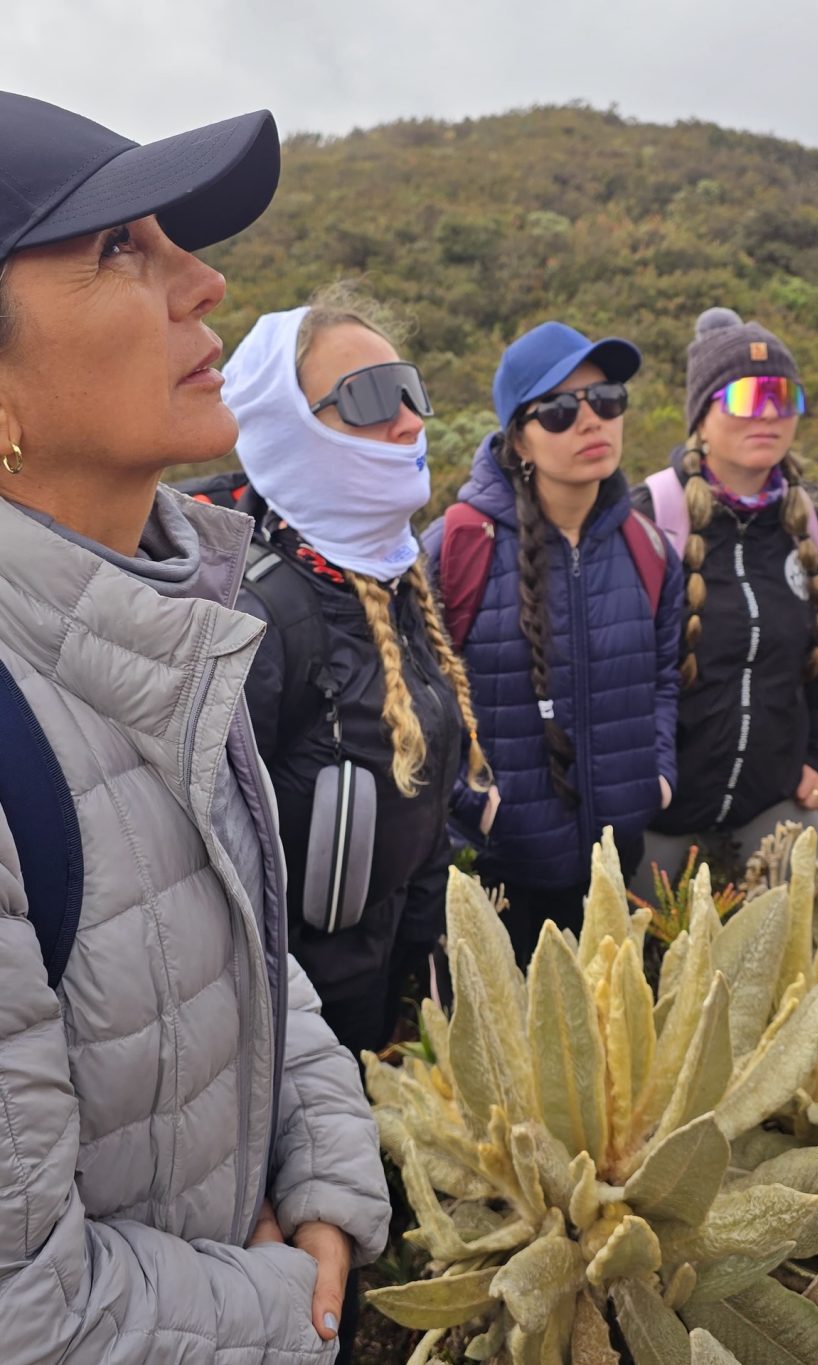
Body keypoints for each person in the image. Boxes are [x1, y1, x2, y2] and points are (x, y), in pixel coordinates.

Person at [0, 93, 390, 1364]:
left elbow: (247, 937)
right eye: (119, 248)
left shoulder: (179, 618)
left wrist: (328, 1166)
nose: (206, 282)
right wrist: (291, 1313)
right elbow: (27, 1307)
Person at [218, 284, 488, 1057]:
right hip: (290, 1042)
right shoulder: (256, 617)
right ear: (285, 428)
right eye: (369, 398)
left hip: (382, 1001)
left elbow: (423, 795)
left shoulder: (394, 578)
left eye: (407, 388)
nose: (408, 421)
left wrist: (419, 979)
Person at [424, 321, 682, 966]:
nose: (591, 422)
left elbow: (666, 682)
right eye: (560, 411)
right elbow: (415, 703)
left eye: (607, 401)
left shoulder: (650, 550)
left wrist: (657, 779)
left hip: (616, 866)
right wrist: (476, 808)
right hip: (499, 874)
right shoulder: (456, 548)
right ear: (519, 440)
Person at [632, 306, 818, 894]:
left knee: (805, 961)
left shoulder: (816, 522)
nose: (768, 414)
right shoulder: (648, 516)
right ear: (701, 418)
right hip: (657, 811)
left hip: (772, 798)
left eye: (782, 395)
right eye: (744, 396)